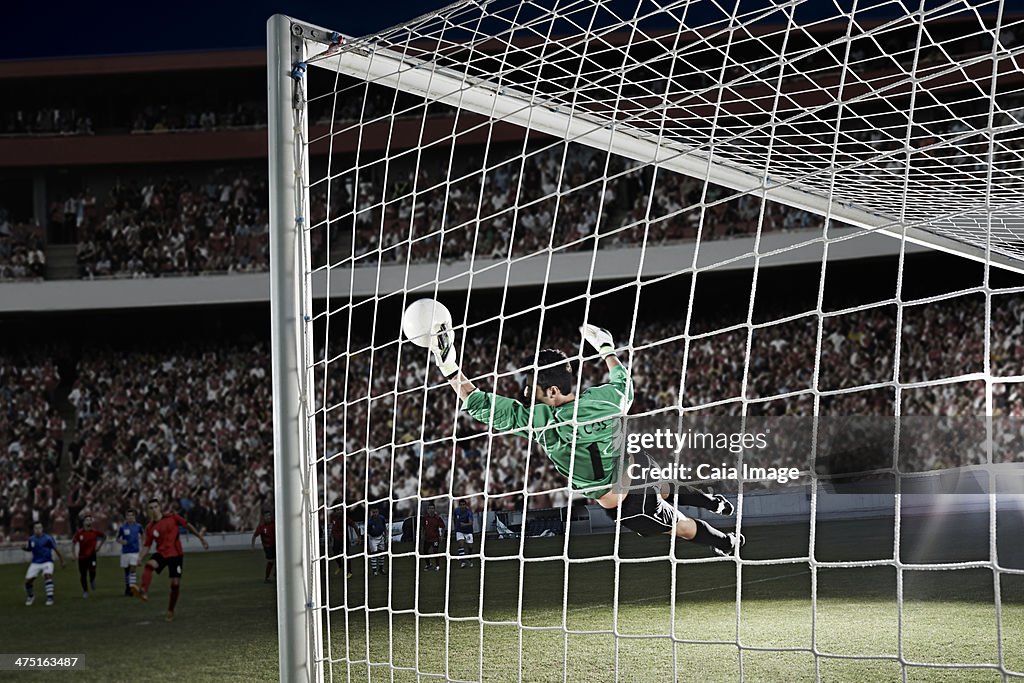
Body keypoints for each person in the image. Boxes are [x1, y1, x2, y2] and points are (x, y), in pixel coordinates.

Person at [429, 323, 742, 556]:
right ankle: (713, 501)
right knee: (662, 486)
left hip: (627, 501)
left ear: (552, 391)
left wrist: (449, 368)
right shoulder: (602, 400)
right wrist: (606, 348)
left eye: (533, 390)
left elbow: (481, 404)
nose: (528, 396)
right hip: (636, 465)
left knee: (681, 527)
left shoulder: (539, 421)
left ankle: (726, 542)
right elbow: (624, 384)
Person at [132, 498, 208, 622]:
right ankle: (143, 591)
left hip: (176, 555)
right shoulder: (150, 527)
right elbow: (147, 545)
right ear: (148, 511)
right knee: (149, 565)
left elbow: (187, 525)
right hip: (162, 553)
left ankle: (170, 610)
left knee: (175, 584)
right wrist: (140, 557)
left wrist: (200, 537)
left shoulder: (172, 517)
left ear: (160, 507)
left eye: (156, 507)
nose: (154, 510)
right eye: (151, 508)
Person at [24, 522, 65, 606]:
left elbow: (56, 549)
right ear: (34, 530)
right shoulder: (31, 539)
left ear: (42, 529)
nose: (38, 530)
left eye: (39, 528)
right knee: (28, 581)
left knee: (47, 575)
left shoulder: (48, 538)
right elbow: (29, 548)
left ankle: (50, 598)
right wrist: (25, 549)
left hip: (47, 561)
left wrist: (61, 560)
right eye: (36, 528)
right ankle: (31, 596)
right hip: (35, 562)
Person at [71, 514, 106, 597]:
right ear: (83, 522)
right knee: (83, 574)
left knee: (92, 570)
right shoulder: (79, 533)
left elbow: (104, 537)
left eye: (90, 520)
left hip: (92, 555)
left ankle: (92, 580)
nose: (88, 521)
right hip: (82, 557)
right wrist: (73, 554)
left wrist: (99, 546)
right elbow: (73, 543)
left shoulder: (95, 532)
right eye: (87, 520)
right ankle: (85, 591)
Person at [116, 509, 145, 597]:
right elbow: (117, 538)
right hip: (125, 552)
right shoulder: (122, 527)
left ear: (134, 516)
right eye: (128, 515)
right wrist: (122, 542)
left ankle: (132, 588)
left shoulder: (138, 526)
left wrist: (143, 543)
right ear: (126, 517)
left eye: (132, 515)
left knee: (133, 569)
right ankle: (127, 588)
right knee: (126, 571)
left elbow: (143, 534)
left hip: (134, 551)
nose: (130, 517)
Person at [251, 510, 276, 584]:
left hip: (275, 545)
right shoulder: (261, 526)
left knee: (278, 559)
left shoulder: (274, 524)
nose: (268, 517)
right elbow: (254, 536)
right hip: (268, 547)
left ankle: (276, 574)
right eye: (266, 516)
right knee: (271, 561)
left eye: (269, 516)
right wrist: (253, 547)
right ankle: (267, 578)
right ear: (264, 518)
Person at [420, 504, 445, 572]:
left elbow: (443, 527)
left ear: (434, 509)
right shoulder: (425, 518)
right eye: (429, 508)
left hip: (435, 538)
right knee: (425, 551)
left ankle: (437, 566)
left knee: (435, 551)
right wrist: (422, 534)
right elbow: (423, 527)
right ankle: (428, 564)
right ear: (427, 510)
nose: (431, 510)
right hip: (427, 538)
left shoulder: (437, 518)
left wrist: (442, 536)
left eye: (432, 508)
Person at [365, 506, 388, 577]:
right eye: (373, 512)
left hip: (381, 537)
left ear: (378, 512)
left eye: (376, 512)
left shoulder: (381, 518)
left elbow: (384, 526)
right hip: (372, 538)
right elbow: (367, 531)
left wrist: (386, 535)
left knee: (382, 553)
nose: (375, 514)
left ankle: (381, 569)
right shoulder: (369, 521)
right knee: (374, 554)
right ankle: (374, 571)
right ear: (371, 513)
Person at [452, 500, 475, 568]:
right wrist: (456, 527)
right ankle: (462, 561)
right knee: (461, 544)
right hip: (459, 530)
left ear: (465, 505)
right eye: (461, 505)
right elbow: (454, 518)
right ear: (459, 505)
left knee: (470, 546)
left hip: (468, 531)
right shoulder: (456, 511)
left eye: (463, 505)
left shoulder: (469, 512)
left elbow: (471, 523)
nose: (462, 506)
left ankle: (469, 560)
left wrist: (464, 524)